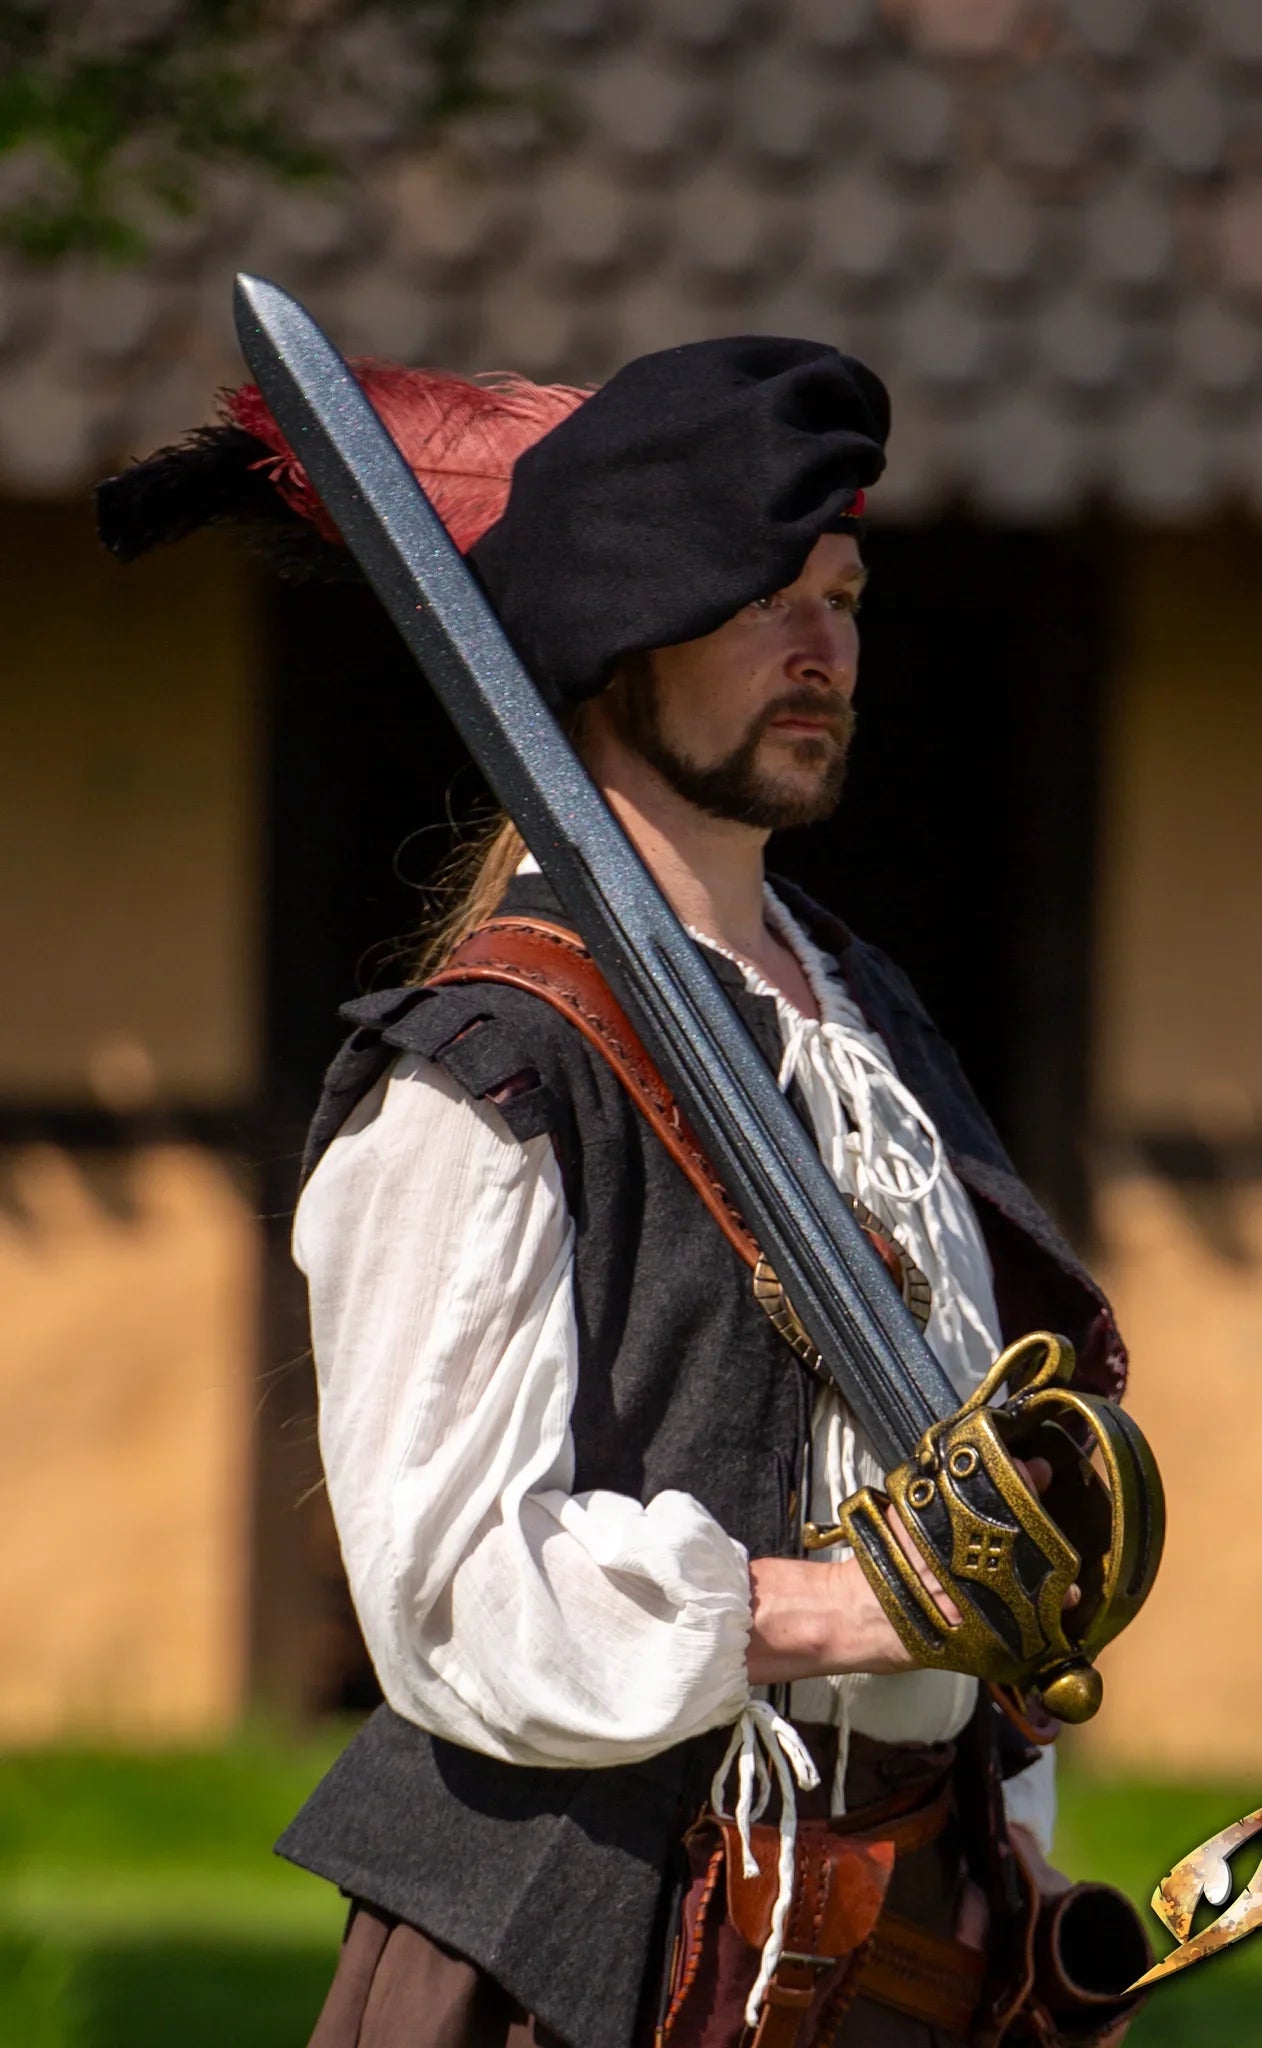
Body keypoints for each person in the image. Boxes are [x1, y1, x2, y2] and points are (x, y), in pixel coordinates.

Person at [97, 336, 1144, 2048]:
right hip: (592, 1959)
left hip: (893, 1941)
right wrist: (833, 1606)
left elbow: (967, 1520)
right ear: (613, 639)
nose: (824, 651)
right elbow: (449, 1597)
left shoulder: (864, 1020)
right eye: (758, 603)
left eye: (845, 596)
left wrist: (996, 1834)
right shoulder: (488, 1072)